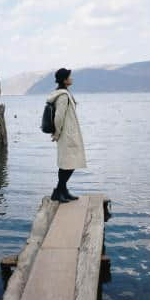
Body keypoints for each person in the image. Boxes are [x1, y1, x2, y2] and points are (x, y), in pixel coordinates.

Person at [46, 68, 86, 203]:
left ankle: (62, 191)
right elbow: (58, 117)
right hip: (66, 134)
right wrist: (57, 133)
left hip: (68, 133)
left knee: (68, 163)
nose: (72, 78)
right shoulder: (63, 96)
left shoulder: (65, 93)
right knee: (67, 164)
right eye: (70, 77)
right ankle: (59, 191)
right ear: (65, 80)